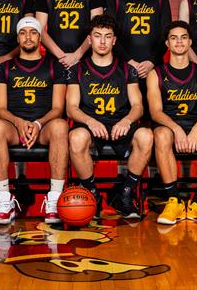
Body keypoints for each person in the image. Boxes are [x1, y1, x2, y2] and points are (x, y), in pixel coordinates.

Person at [66, 14, 153, 218]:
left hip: (120, 122)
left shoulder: (128, 70)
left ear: (114, 40)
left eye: (107, 36)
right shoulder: (77, 70)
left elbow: (138, 106)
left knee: (146, 136)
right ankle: (93, 196)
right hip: (91, 124)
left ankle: (125, 194)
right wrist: (90, 121)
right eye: (97, 36)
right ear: (90, 39)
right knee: (76, 137)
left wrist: (127, 120)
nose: (103, 41)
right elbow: (71, 108)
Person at [0, 17, 69, 224]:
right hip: (14, 127)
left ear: (40, 38)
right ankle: (3, 198)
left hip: (44, 126)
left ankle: (55, 198)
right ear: (17, 38)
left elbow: (58, 109)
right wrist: (19, 122)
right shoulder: (4, 68)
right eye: (23, 33)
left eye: (33, 32)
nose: (28, 37)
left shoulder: (54, 66)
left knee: (60, 126)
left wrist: (39, 123)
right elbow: (0, 109)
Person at [146, 21, 197, 225]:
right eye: (174, 38)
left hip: (196, 126)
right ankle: (174, 201)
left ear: (190, 42)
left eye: (183, 38)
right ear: (167, 44)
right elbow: (155, 112)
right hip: (169, 127)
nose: (179, 42)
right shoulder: (155, 74)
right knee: (161, 135)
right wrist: (176, 129)